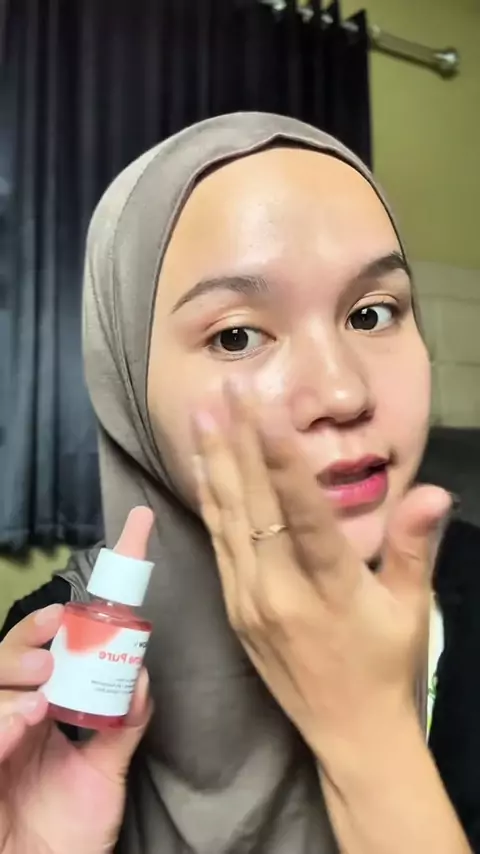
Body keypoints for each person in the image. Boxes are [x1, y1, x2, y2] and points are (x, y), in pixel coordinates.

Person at [0, 112, 479, 854]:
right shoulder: (49, 666)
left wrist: (372, 750)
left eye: (371, 314)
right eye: (236, 336)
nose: (342, 392)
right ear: (129, 385)